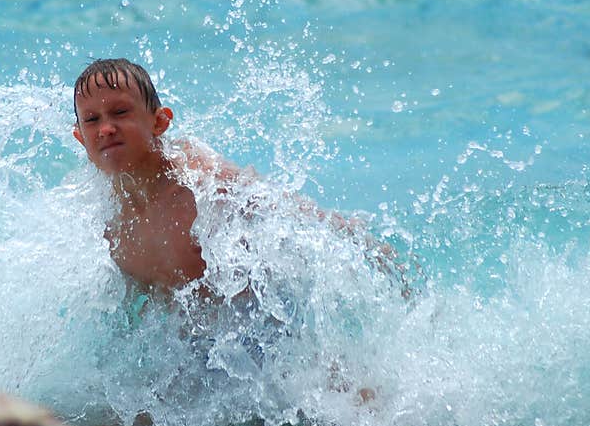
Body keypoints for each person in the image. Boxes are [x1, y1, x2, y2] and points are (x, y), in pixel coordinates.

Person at [72, 57, 407, 299]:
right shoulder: (103, 215)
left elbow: (289, 213)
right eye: (91, 120)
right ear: (80, 140)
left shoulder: (198, 179)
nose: (105, 129)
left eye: (120, 112)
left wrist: (368, 249)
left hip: (261, 320)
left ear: (159, 122)